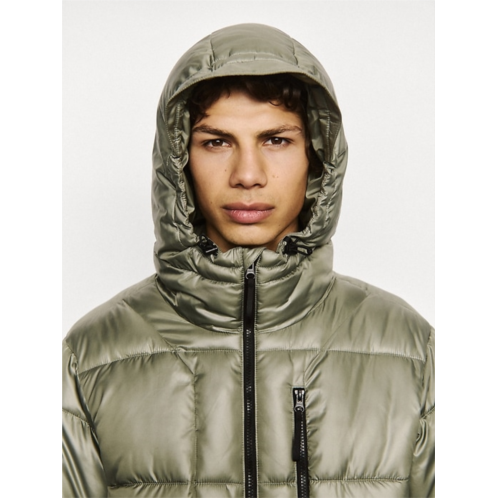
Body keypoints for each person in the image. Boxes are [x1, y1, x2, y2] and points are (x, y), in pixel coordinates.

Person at [62, 23, 435, 498]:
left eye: (275, 140)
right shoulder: (90, 357)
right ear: (179, 161)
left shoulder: (412, 351)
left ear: (317, 159)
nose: (247, 174)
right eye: (216, 141)